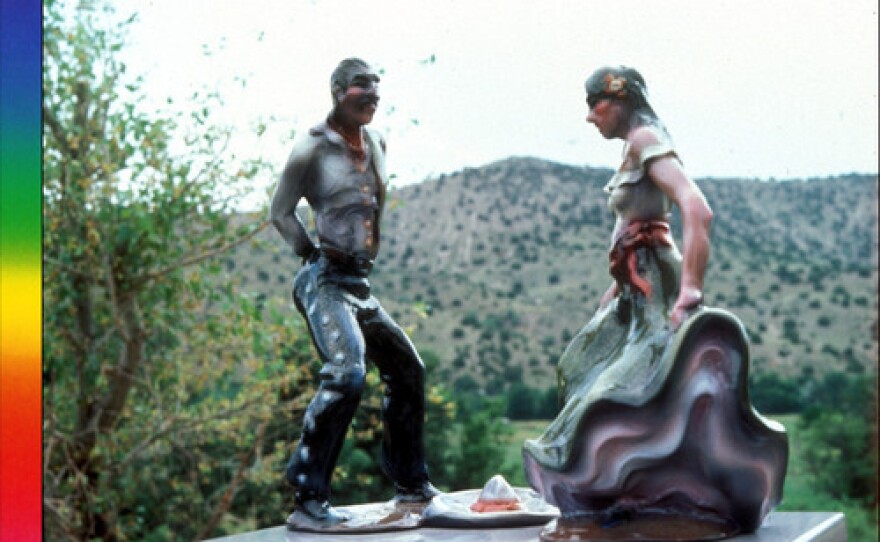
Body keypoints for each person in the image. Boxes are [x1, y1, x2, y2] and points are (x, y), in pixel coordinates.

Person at [522, 66, 788, 534]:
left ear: (619, 100)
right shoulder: (633, 145)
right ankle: (614, 495)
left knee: (614, 397)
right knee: (580, 366)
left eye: (594, 104)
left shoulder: (646, 140)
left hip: (657, 289)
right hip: (631, 290)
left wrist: (690, 289)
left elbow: (696, 208)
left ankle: (633, 495)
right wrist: (615, 289)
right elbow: (629, 228)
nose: (589, 117)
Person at [271, 58, 439, 527]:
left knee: (408, 370)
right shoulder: (311, 147)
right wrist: (311, 255)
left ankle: (411, 484)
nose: (373, 95)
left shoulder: (378, 141)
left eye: (376, 88)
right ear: (338, 91)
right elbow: (280, 212)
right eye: (362, 87)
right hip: (326, 278)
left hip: (360, 283)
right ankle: (308, 496)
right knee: (346, 375)